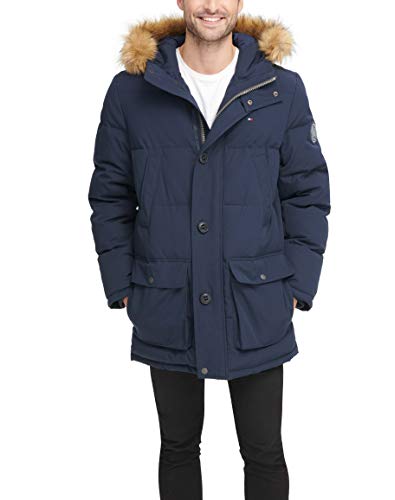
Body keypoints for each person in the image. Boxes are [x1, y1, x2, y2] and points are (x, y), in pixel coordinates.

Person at [88, 1, 331, 498]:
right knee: (177, 446)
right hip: (166, 295)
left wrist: (296, 284)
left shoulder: (280, 89)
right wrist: (122, 283)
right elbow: (110, 194)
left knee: (264, 450)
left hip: (256, 298)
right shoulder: (133, 90)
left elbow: (307, 192)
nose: (212, 6)